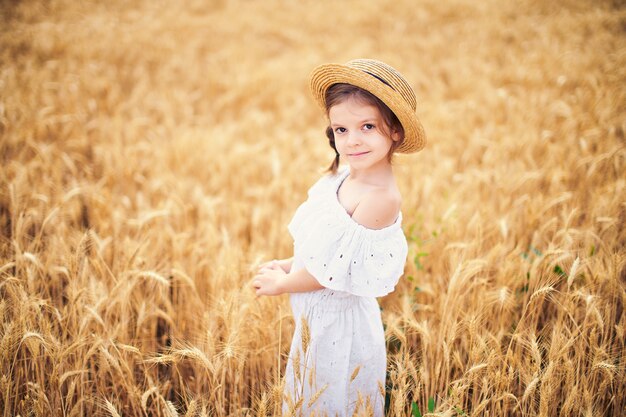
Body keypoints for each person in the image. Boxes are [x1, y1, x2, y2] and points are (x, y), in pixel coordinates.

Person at [251, 59, 426, 416]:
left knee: (328, 401)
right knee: (307, 396)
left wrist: (282, 284)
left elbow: (326, 274)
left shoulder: (380, 197)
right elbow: (326, 251)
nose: (353, 140)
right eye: (342, 130)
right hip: (317, 320)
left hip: (338, 326)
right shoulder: (347, 175)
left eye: (367, 126)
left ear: (395, 131)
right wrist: (287, 264)